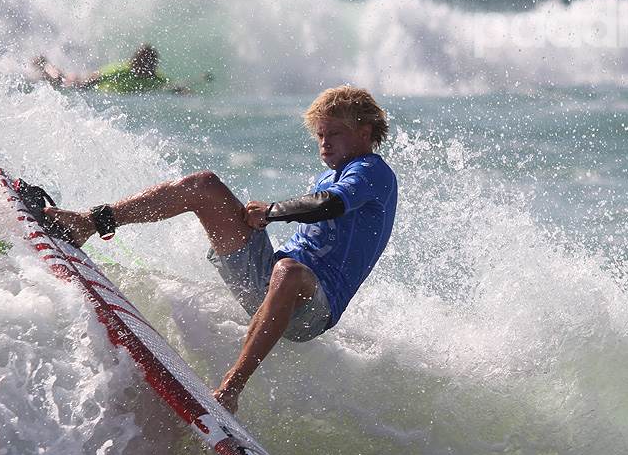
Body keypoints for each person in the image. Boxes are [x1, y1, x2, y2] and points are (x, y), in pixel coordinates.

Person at [45, 85, 398, 412]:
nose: (324, 143)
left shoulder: (372, 171)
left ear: (364, 132)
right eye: (320, 135)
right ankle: (89, 222)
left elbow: (329, 205)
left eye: (334, 133)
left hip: (312, 308)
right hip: (271, 276)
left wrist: (271, 212)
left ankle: (230, 389)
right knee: (203, 186)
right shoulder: (331, 174)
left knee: (289, 272)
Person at [33, 43, 198, 93]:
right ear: (136, 62)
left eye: (151, 64)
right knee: (62, 80)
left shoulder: (155, 77)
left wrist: (184, 91)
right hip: (91, 86)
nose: (149, 68)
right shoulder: (121, 70)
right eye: (145, 63)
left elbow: (173, 87)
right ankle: (45, 65)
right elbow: (93, 78)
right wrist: (80, 85)